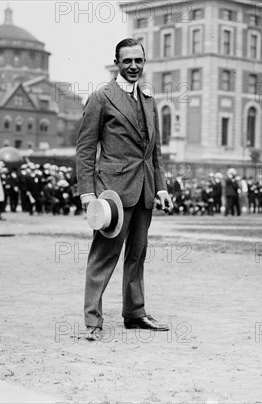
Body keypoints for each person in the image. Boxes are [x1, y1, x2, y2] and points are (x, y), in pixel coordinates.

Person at [76, 38, 174, 341]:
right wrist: (87, 194)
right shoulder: (101, 97)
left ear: (144, 63)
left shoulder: (148, 98)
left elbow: (153, 152)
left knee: (137, 255)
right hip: (113, 195)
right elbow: (84, 149)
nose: (133, 66)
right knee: (104, 255)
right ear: (117, 62)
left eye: (138, 61)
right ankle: (93, 320)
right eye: (127, 61)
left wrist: (161, 188)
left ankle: (135, 314)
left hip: (144, 190)